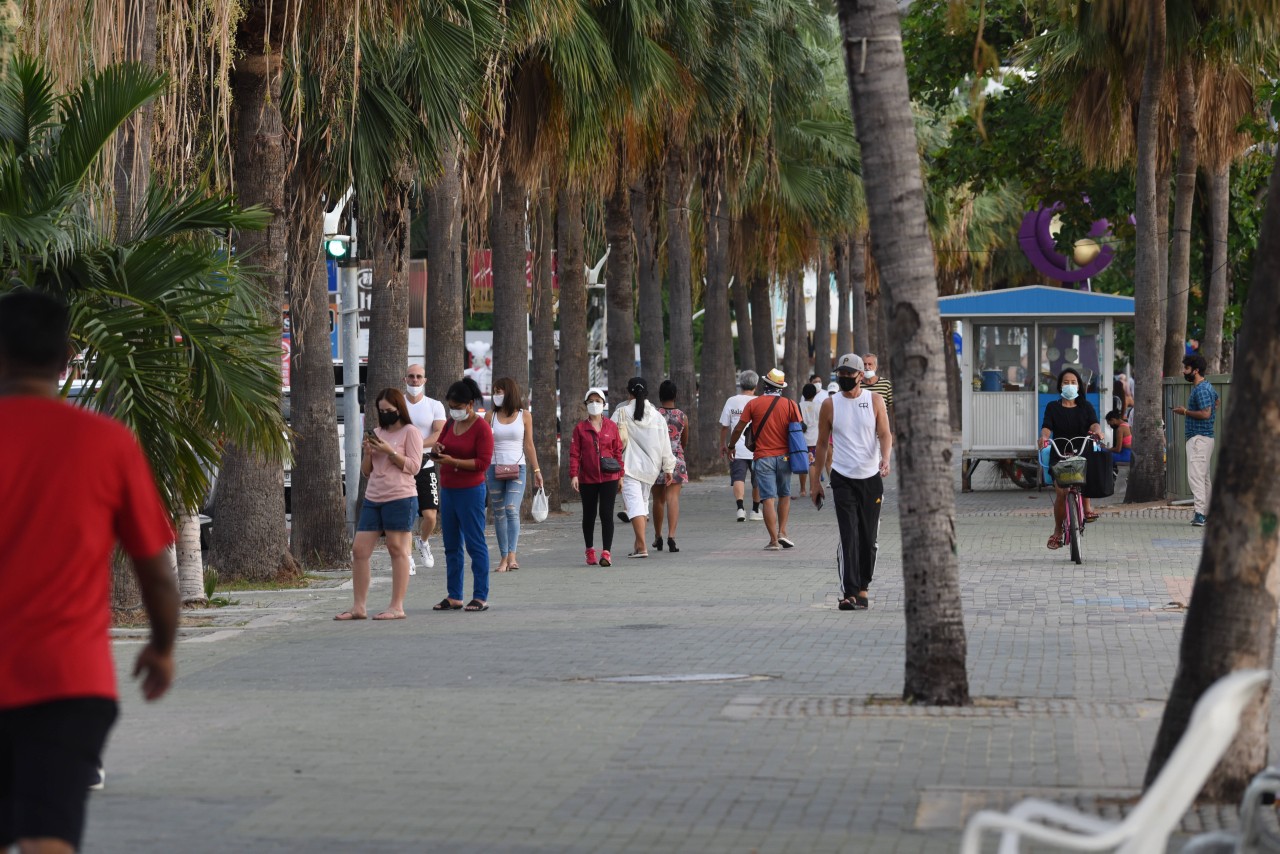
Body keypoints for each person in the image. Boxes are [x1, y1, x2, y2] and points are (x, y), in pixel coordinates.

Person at [1, 290, 179, 854]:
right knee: (49, 837)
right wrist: (161, 647)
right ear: (66, 360)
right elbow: (156, 574)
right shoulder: (106, 443)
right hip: (71, 683)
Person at [812, 353, 892, 610]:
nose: (845, 378)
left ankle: (863, 588)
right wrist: (816, 481)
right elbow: (822, 444)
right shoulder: (830, 404)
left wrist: (886, 459)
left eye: (849, 374)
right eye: (841, 374)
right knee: (849, 535)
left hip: (870, 478)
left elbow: (885, 434)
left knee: (868, 538)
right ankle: (849, 592)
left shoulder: (874, 400)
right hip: (842, 477)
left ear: (861, 376)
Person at [336, 389, 423, 620]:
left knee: (397, 548)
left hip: (400, 496)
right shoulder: (376, 432)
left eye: (389, 411)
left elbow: (415, 467)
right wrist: (368, 453)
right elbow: (367, 471)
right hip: (374, 497)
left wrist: (390, 451)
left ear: (399, 410)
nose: (385, 415)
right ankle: (359, 606)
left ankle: (397, 606)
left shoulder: (410, 432)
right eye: (381, 411)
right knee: (359, 550)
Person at [432, 378, 494, 611]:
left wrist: (453, 461)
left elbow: (483, 463)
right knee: (451, 545)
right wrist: (437, 450)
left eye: (458, 407)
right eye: (451, 406)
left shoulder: (482, 428)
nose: (454, 411)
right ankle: (454, 594)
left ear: (469, 404)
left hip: (471, 491)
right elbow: (440, 444)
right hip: (448, 490)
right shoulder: (449, 424)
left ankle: (480, 595)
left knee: (475, 543)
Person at [729, 368, 803, 551]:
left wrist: (731, 446)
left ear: (765, 385)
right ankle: (783, 532)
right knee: (784, 495)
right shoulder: (790, 404)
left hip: (762, 457)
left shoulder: (754, 404)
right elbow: (798, 429)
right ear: (780, 388)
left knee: (768, 498)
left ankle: (773, 541)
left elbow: (739, 428)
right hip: (785, 457)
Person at [1040, 367, 1104, 549]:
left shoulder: (1086, 406)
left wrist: (1098, 432)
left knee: (1088, 468)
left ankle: (1087, 507)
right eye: (1066, 382)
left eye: (1073, 382)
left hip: (1080, 450)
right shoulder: (1053, 407)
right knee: (1061, 493)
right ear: (1060, 385)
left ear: (1079, 386)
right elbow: (1046, 427)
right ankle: (1058, 531)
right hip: (1059, 453)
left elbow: (1094, 423)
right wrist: (1044, 438)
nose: (1070, 385)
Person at [613, 377, 676, 558]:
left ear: (629, 392)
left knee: (634, 507)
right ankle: (637, 544)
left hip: (630, 467)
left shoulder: (621, 412)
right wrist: (668, 468)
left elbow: (610, 437)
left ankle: (642, 547)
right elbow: (666, 444)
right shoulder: (657, 416)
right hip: (651, 469)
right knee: (641, 504)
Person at [485, 377, 543, 572]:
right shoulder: (489, 416)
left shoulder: (524, 415)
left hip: (518, 467)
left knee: (511, 508)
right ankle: (503, 557)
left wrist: (536, 470)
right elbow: (484, 443)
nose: (496, 395)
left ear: (509, 393)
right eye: (495, 392)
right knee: (499, 513)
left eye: (500, 391)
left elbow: (529, 444)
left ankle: (512, 555)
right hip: (494, 467)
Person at [570, 387, 624, 566]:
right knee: (589, 514)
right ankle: (590, 550)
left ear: (604, 404)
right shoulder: (580, 429)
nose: (594, 404)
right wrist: (574, 475)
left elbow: (618, 453)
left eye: (598, 401)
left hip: (609, 477)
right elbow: (574, 453)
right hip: (588, 478)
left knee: (606, 513)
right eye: (591, 401)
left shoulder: (611, 426)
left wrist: (620, 476)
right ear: (586, 405)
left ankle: (606, 552)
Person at [404, 363, 445, 572]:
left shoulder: (434, 405)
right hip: (402, 466)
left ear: (425, 380)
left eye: (419, 376)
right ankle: (407, 557)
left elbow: (439, 433)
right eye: (411, 376)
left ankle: (423, 542)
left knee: (430, 515)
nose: (415, 380)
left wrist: (417, 444)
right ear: (405, 380)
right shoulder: (398, 405)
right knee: (407, 514)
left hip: (426, 463)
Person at [1173, 354, 1219, 527]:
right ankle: (1208, 512)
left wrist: (1184, 412)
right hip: (1205, 438)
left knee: (1196, 477)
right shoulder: (1207, 387)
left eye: (1186, 368)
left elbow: (1206, 412)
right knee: (1204, 477)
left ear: (1196, 370)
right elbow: (1217, 401)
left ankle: (1200, 514)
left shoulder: (1200, 389)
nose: (1184, 371)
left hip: (1199, 439)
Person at [651, 380, 689, 553]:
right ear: (675, 395)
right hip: (676, 458)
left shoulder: (653, 414)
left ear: (660, 395)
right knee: (673, 499)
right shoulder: (682, 416)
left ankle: (657, 536)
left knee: (658, 499)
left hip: (657, 459)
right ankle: (671, 537)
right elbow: (684, 440)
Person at [719, 370, 763, 522]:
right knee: (757, 479)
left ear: (740, 384)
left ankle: (740, 508)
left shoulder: (731, 401)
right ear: (755, 385)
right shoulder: (759, 401)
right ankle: (756, 510)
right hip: (756, 448)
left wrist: (723, 444)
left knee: (738, 477)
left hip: (736, 446)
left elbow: (725, 426)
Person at [799, 382, 822, 498]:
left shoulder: (799, 406)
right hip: (814, 439)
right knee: (812, 464)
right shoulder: (819, 406)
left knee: (803, 465)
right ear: (814, 394)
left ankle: (802, 489)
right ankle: (812, 489)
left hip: (801, 440)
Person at [861, 353, 894, 430]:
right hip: (862, 433)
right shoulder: (857, 385)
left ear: (876, 367)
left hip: (883, 431)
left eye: (870, 364)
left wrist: (892, 430)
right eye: (864, 364)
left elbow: (892, 410)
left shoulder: (886, 384)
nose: (867, 367)